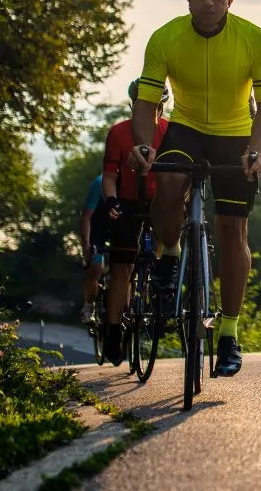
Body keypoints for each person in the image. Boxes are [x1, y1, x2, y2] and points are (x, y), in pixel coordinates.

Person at [130, 0, 261, 378]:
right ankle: (171, 252)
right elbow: (146, 106)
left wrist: (257, 149)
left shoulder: (256, 38)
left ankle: (228, 332)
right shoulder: (165, 38)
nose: (209, 1)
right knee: (170, 179)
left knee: (233, 230)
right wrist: (143, 145)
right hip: (187, 126)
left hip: (235, 132)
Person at [96, 79, 170, 366]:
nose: (153, 109)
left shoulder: (170, 132)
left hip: (159, 200)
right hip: (127, 201)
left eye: (158, 105)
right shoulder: (118, 133)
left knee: (166, 240)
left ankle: (163, 283)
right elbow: (110, 175)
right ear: (133, 105)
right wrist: (111, 200)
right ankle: (113, 330)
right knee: (122, 266)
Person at [78, 173, 105, 323]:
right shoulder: (99, 183)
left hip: (120, 227)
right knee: (95, 266)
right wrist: (86, 244)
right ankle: (89, 304)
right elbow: (86, 216)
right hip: (98, 226)